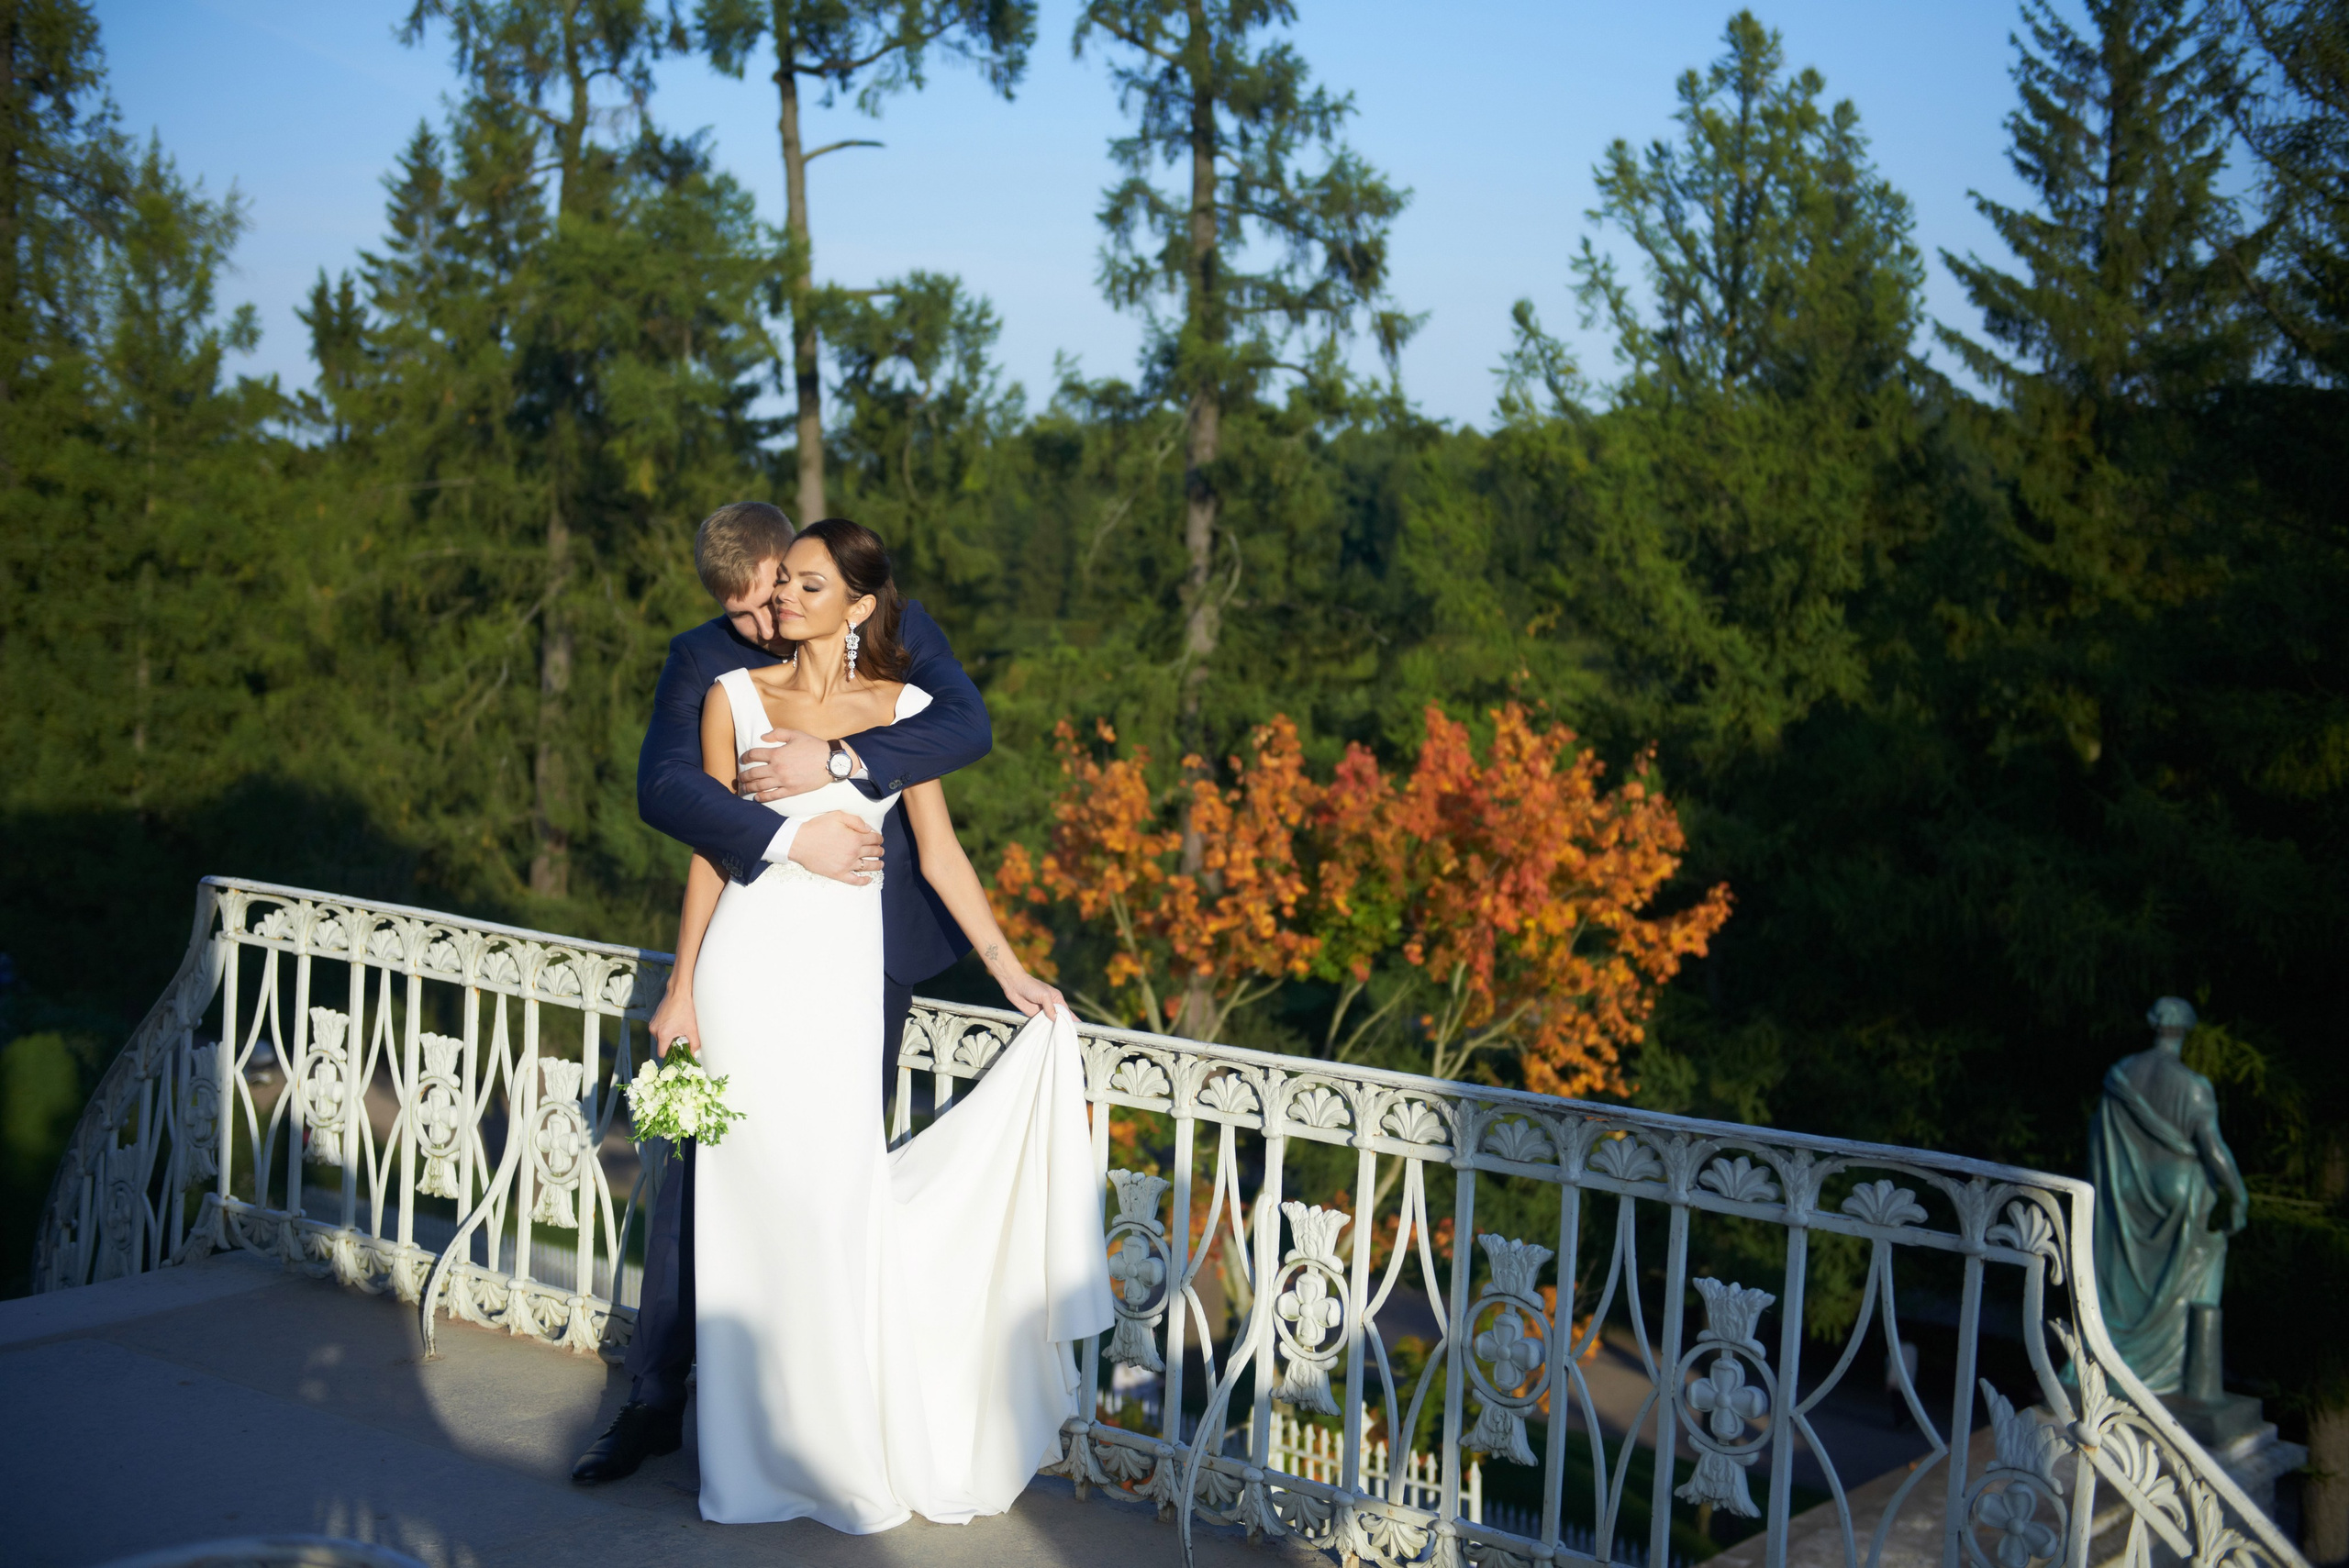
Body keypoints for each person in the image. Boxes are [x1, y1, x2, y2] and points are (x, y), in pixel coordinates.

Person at [659, 518, 1112, 1528]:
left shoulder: (904, 711)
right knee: (749, 1212)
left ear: (857, 606)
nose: (780, 601)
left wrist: (1010, 970)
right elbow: (708, 850)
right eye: (782, 588)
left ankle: (842, 1446)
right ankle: (747, 1462)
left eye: (805, 587)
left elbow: (941, 854)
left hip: (836, 977)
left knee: (833, 1199)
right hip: (746, 972)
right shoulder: (731, 697)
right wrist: (684, 983)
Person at [573, 501, 996, 1485]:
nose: (765, 624)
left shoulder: (891, 626)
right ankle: (660, 1399)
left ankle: (836, 1399)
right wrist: (686, 980)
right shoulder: (708, 667)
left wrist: (840, 761)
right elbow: (674, 799)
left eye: (778, 599)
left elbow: (962, 732)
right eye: (747, 615)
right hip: (754, 950)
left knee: (834, 1174)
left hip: (866, 954)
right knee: (705, 1174)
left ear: (800, 574)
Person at [2087, 996, 2251, 1395]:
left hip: (2124, 1194)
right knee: (2194, 1271)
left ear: (2153, 1024)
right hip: (2177, 1190)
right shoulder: (2194, 1087)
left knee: (2119, 1288)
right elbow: (2212, 1150)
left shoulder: (2120, 1075)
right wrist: (2239, 1194)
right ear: (2186, 1030)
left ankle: (2111, 1359)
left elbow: (2099, 1140)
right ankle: (2173, 1375)